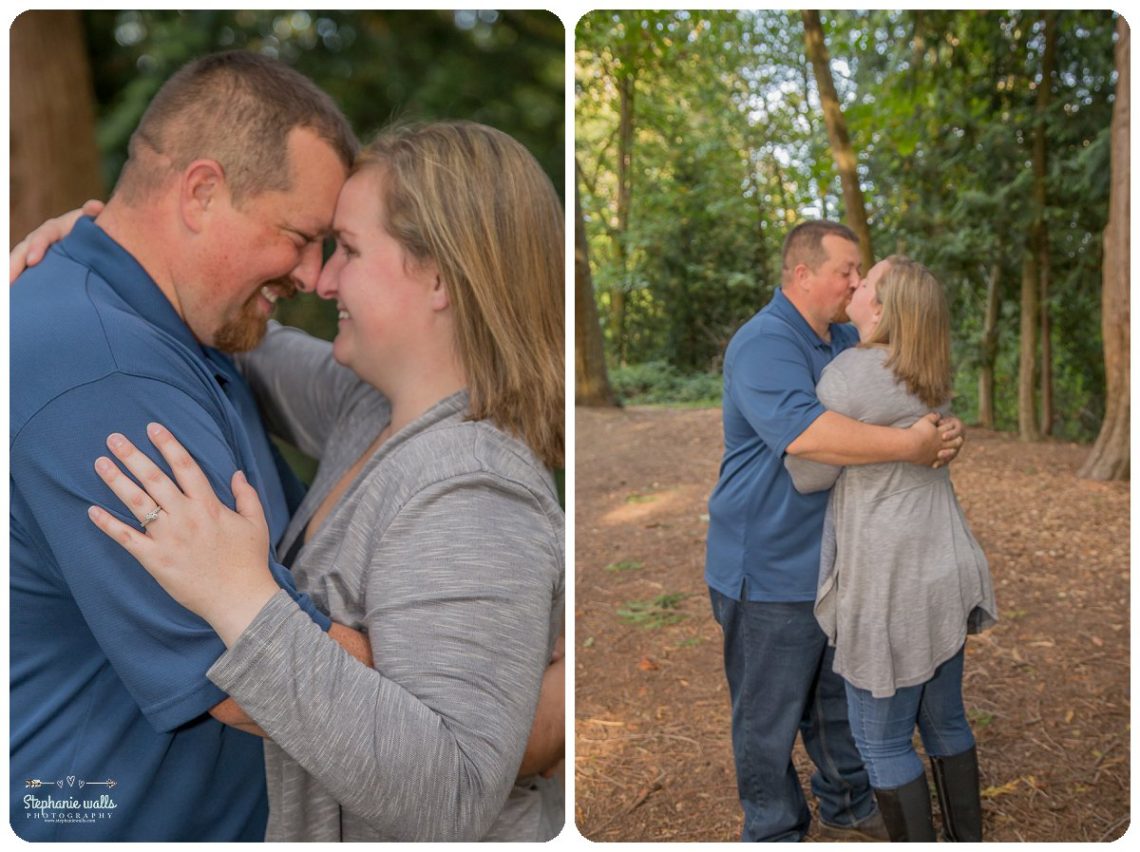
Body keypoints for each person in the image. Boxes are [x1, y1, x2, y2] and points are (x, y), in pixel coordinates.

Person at [82, 120, 566, 841]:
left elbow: (455, 796)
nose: (321, 277)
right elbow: (225, 324)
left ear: (438, 275)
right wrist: (118, 248)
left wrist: (241, 600)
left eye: (350, 249)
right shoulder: (367, 405)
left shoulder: (473, 490)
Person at [9, 50, 367, 842]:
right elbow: (264, 682)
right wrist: (499, 701)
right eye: (300, 237)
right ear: (202, 191)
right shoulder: (104, 377)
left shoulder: (175, 328)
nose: (314, 276)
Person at [704, 220, 964, 842]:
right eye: (845, 270)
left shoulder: (848, 337)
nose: (854, 282)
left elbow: (911, 386)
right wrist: (912, 445)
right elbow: (807, 437)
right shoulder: (763, 342)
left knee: (836, 704)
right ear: (802, 275)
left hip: (843, 562)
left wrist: (945, 431)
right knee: (768, 717)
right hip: (766, 561)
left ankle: (848, 803)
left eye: (858, 273)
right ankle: (773, 827)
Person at [785, 256, 997, 842]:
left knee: (881, 741)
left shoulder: (849, 374)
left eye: (867, 282)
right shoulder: (930, 374)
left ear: (880, 309)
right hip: (945, 570)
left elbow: (805, 471)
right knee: (946, 721)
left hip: (890, 580)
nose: (855, 286)